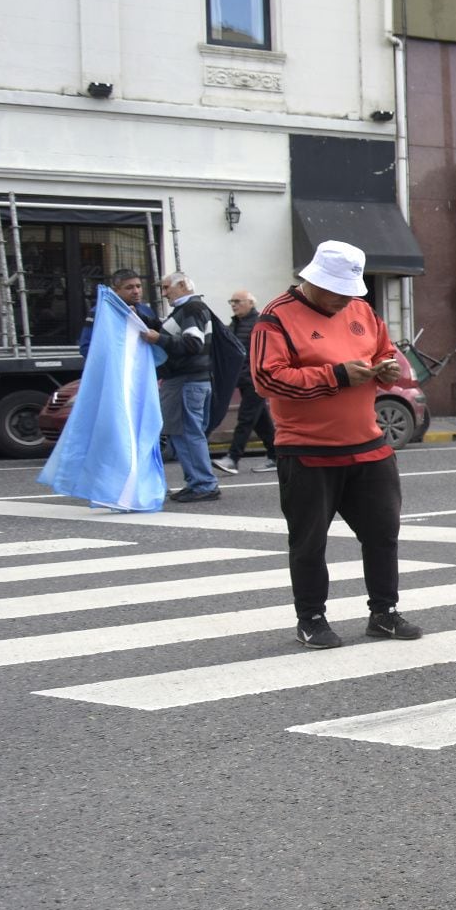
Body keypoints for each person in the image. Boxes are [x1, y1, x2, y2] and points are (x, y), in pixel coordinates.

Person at [250, 240, 422, 649]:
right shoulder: (275, 318)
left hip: (368, 444)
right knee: (309, 542)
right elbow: (266, 379)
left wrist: (388, 370)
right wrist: (337, 376)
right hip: (307, 448)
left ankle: (384, 613)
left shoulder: (362, 310)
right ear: (313, 281)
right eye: (337, 292)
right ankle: (310, 618)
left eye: (350, 292)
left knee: (383, 533)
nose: (345, 300)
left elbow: (386, 355)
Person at [143, 271, 220, 503]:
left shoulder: (191, 309)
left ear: (184, 285)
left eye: (167, 288)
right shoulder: (191, 308)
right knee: (186, 433)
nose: (164, 293)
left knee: (186, 433)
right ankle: (198, 482)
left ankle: (203, 483)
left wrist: (159, 339)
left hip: (186, 381)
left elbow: (192, 343)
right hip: (194, 380)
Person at [213, 289, 276, 474]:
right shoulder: (235, 324)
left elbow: (262, 353)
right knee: (260, 420)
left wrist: (252, 373)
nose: (234, 305)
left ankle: (233, 458)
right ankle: (275, 456)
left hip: (256, 380)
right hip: (243, 380)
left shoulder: (258, 323)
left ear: (251, 303)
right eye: (231, 301)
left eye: (238, 301)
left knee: (246, 419)